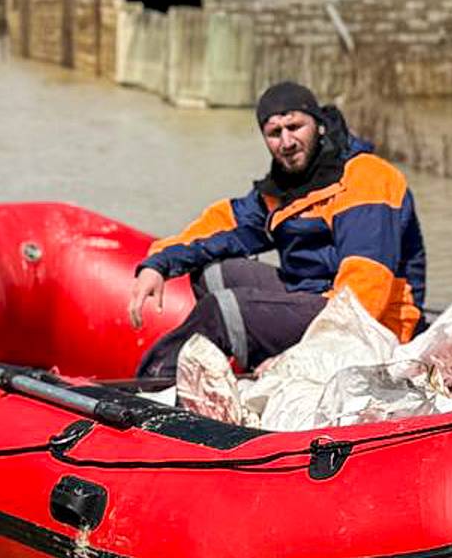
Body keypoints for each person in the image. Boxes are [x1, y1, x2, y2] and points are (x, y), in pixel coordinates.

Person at [130, 81, 426, 378]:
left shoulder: (367, 178)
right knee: (214, 273)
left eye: (295, 127)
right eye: (274, 133)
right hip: (312, 298)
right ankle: (238, 373)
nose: (287, 142)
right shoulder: (283, 189)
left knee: (225, 310)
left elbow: (365, 295)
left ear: (319, 125)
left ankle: (150, 388)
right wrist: (157, 264)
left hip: (377, 327)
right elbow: (220, 224)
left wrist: (296, 358)